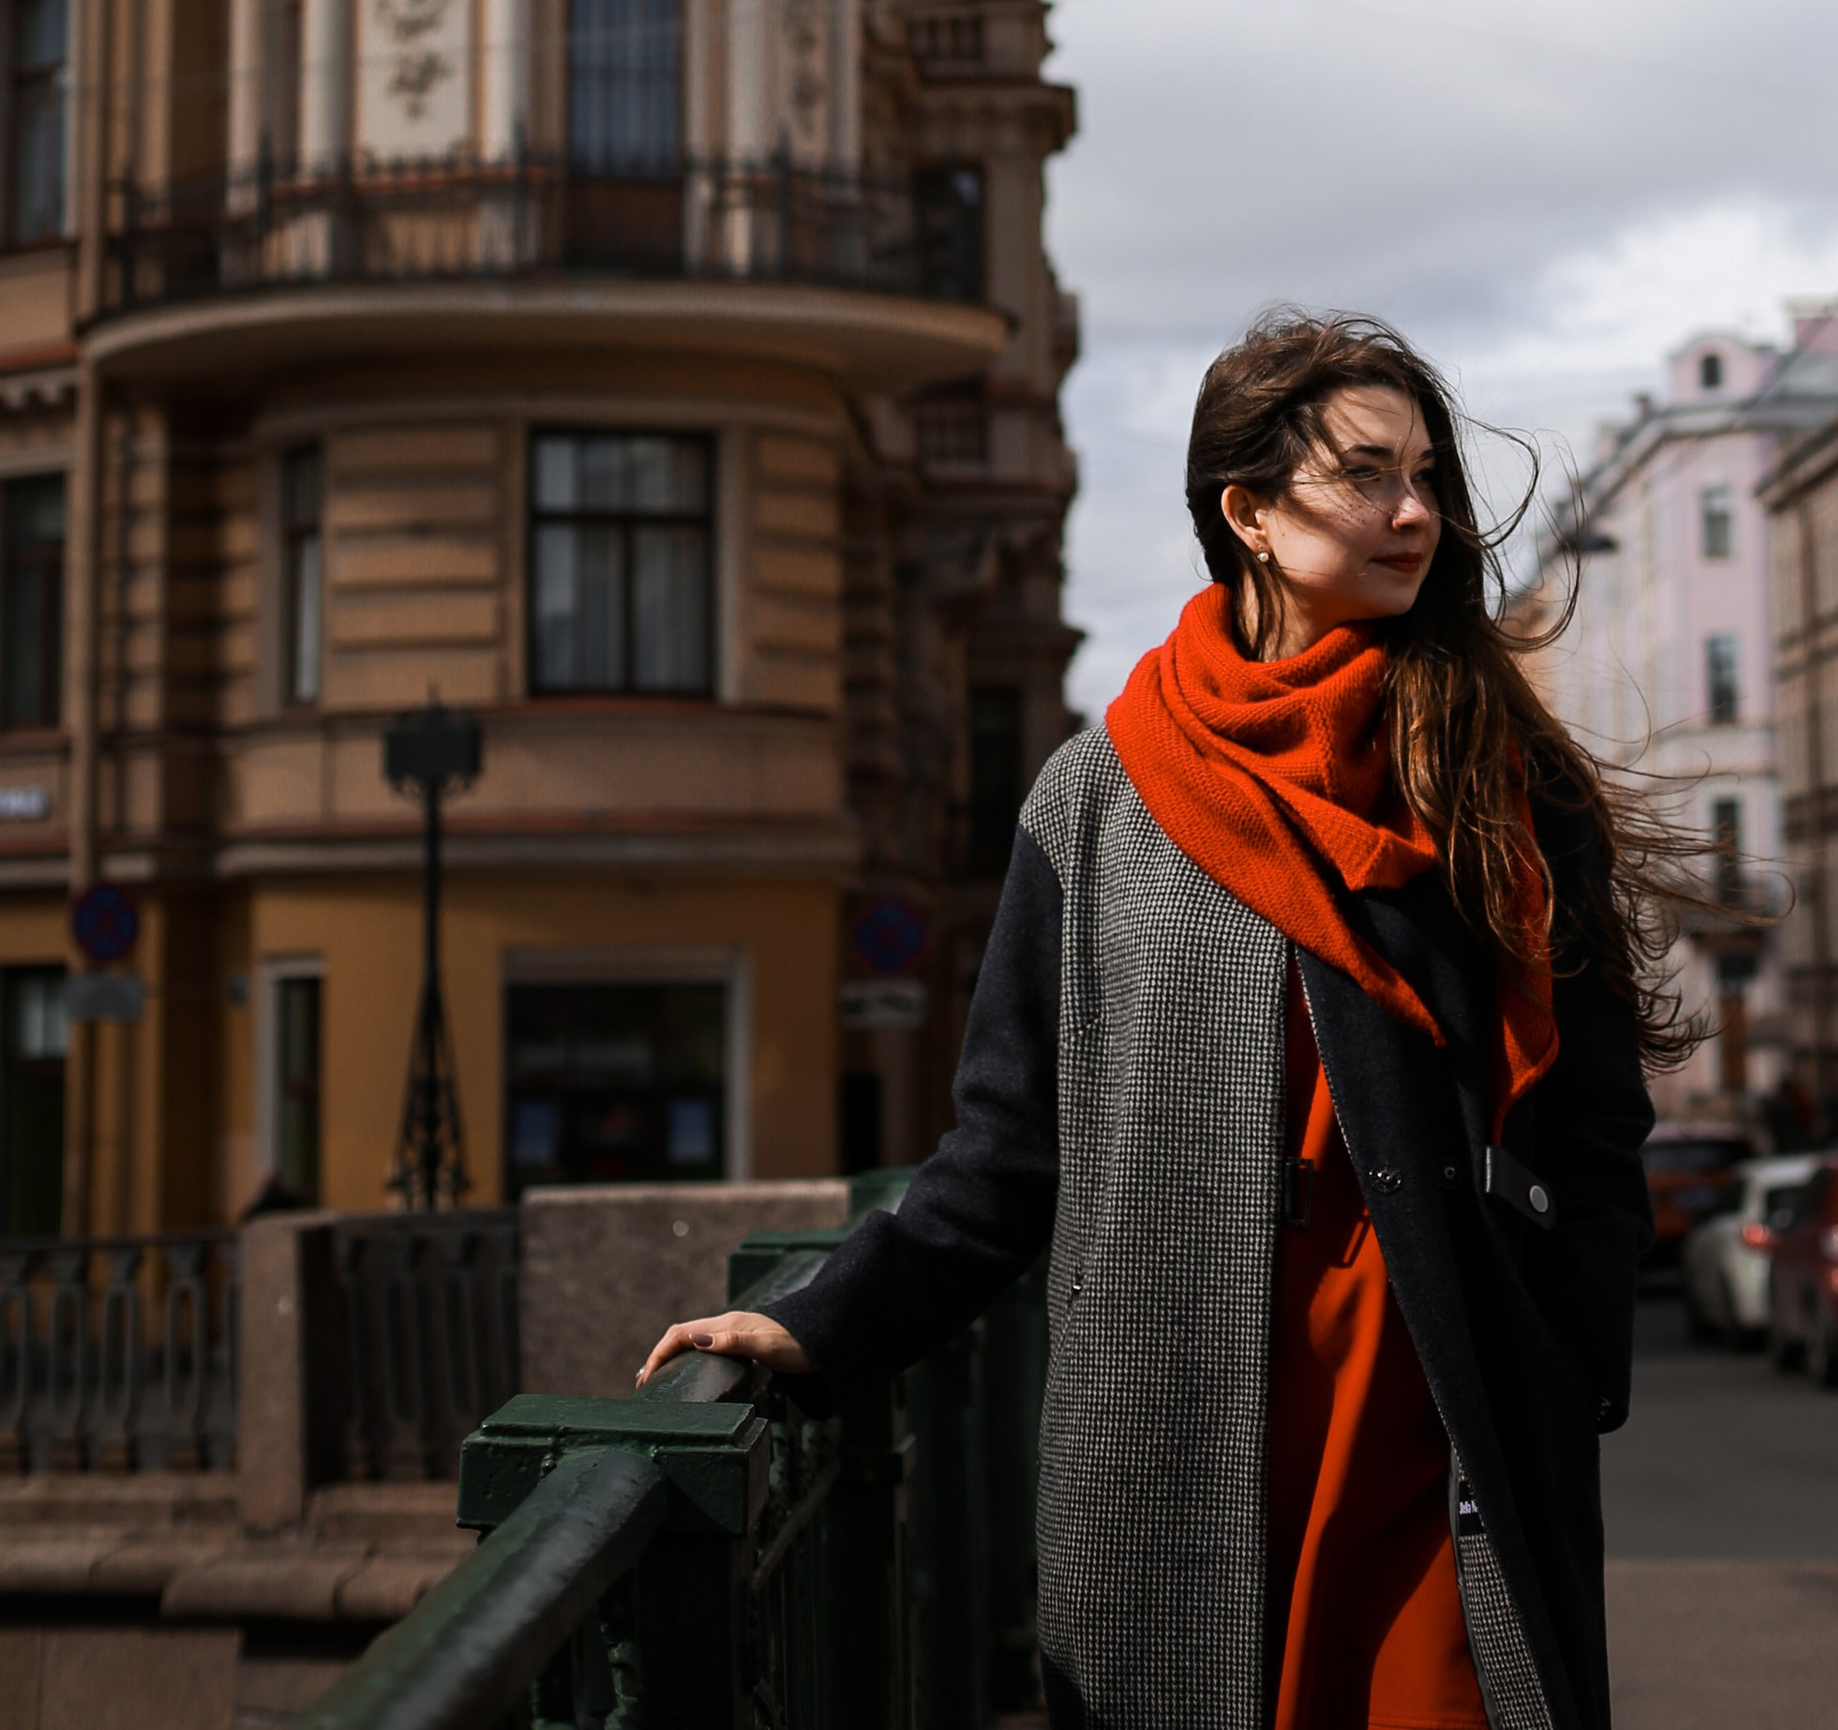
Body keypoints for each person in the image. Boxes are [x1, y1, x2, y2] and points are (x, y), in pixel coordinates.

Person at [639, 310, 1682, 1730]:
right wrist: (819, 1325)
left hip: (1442, 1399)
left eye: (1427, 478)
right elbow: (1007, 1150)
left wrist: (1574, 1351)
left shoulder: (1493, 772)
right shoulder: (1099, 795)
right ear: (1247, 513)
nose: (1416, 513)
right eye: (1366, 475)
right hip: (1173, 1410)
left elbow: (1596, 1109)